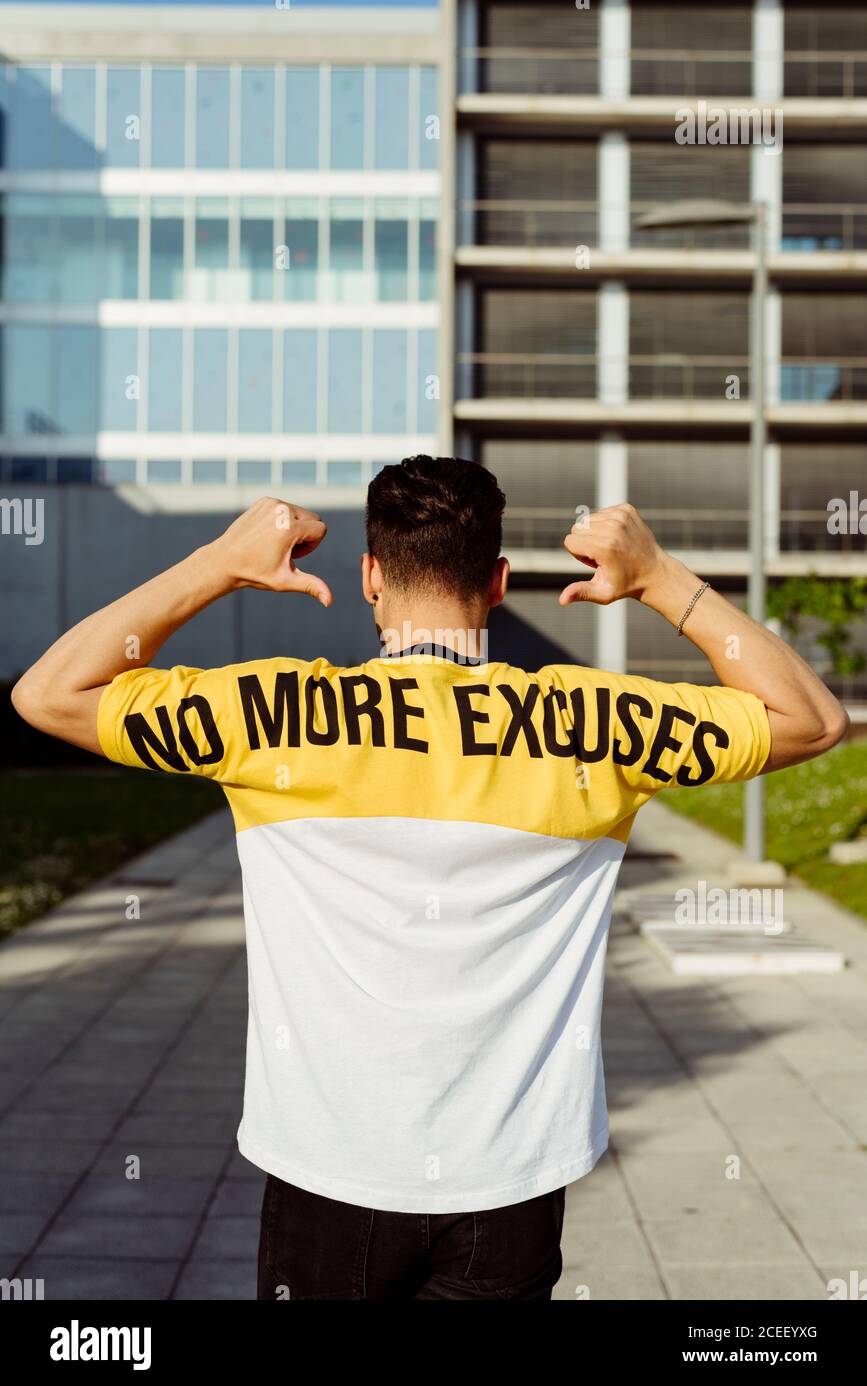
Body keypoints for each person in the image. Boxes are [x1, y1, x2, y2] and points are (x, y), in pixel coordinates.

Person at [12, 456, 847, 1301]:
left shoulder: (268, 717)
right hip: (510, 1187)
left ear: (371, 577)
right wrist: (662, 579)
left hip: (325, 1175)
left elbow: (48, 694)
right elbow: (811, 720)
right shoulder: (592, 724)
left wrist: (217, 563)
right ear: (496, 582)